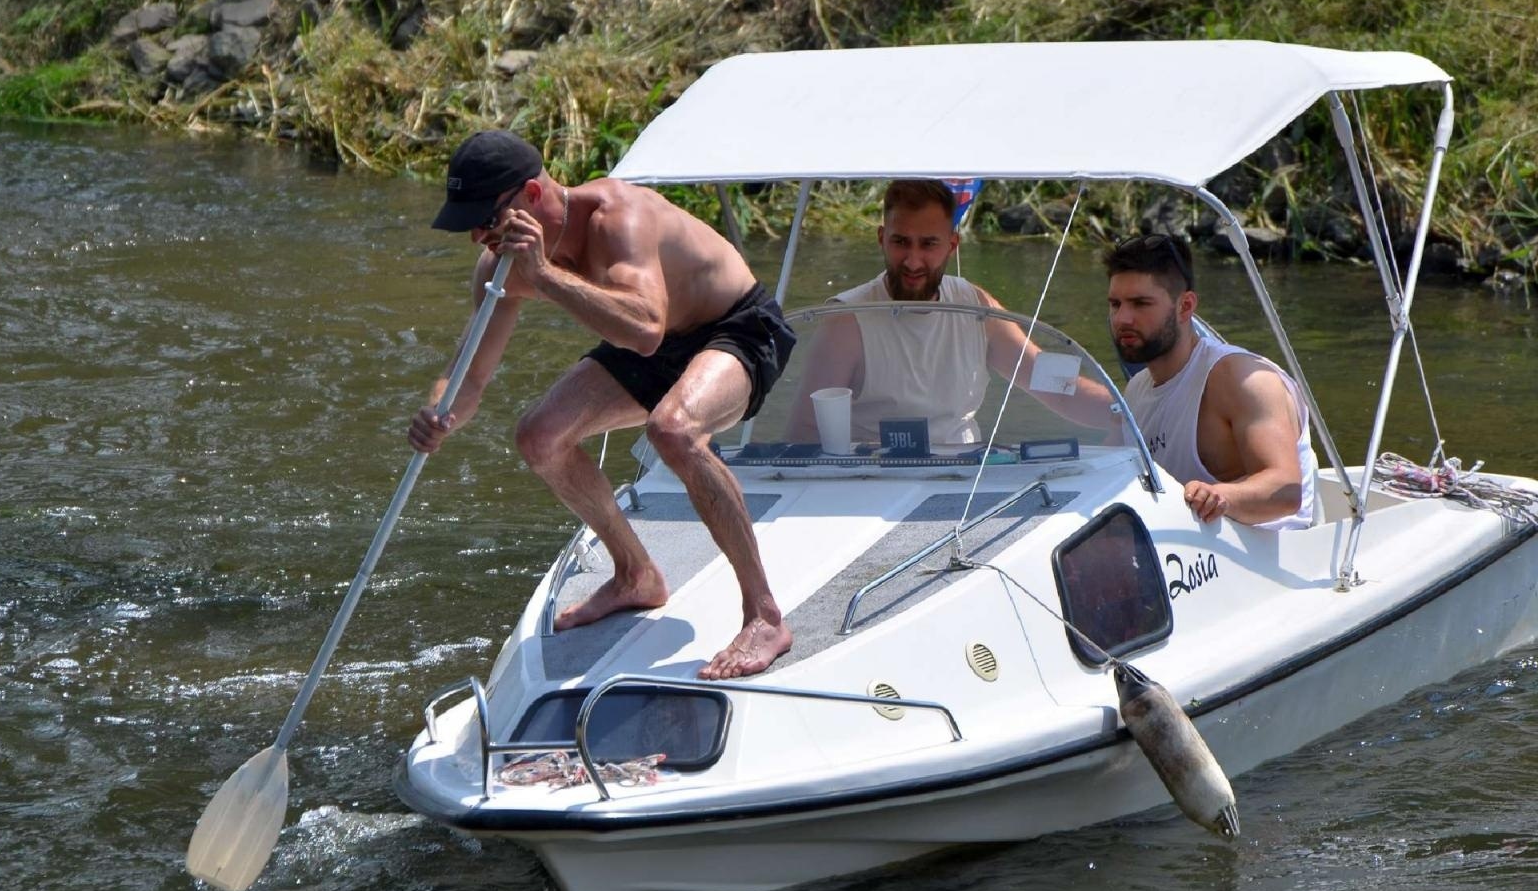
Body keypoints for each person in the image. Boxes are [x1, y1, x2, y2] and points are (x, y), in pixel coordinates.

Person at [410, 130, 797, 679]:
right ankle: (635, 574)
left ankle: (764, 615)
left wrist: (545, 276)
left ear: (531, 195)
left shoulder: (618, 217)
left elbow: (645, 328)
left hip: (736, 328)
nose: (478, 237)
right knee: (539, 437)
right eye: (468, 225)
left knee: (673, 429)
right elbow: (468, 375)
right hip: (646, 338)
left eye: (486, 220)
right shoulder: (500, 265)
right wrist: (440, 413)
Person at [784, 180, 1114, 445]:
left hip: (963, 480)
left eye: (928, 244)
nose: (913, 260)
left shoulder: (976, 306)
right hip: (874, 481)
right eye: (901, 242)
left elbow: (1049, 379)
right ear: (882, 239)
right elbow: (805, 432)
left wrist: (1125, 413)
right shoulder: (846, 319)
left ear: (951, 246)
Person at [1105, 234, 1316, 529]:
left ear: (1185, 306)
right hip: (1187, 546)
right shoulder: (1136, 390)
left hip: (1279, 551)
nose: (1122, 319)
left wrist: (1219, 496)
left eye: (1140, 303)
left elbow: (1285, 491)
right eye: (1115, 304)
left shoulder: (1243, 378)